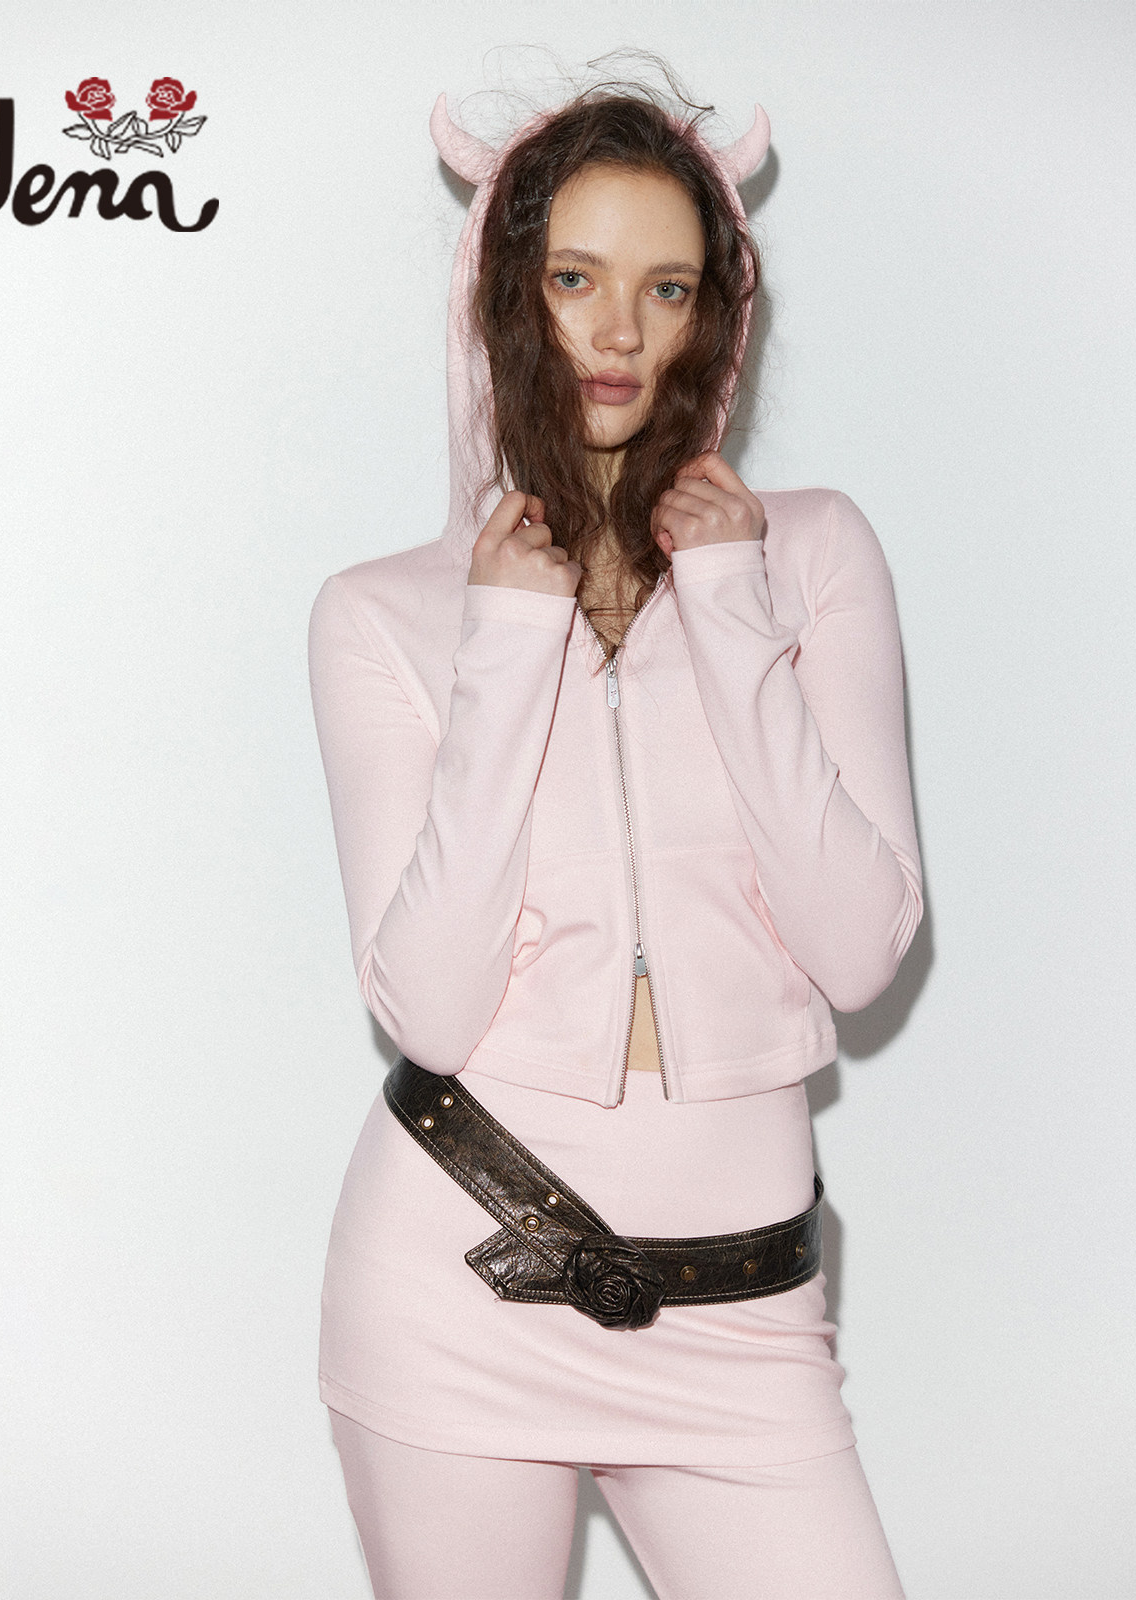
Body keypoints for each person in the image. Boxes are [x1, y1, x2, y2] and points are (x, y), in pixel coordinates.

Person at [307, 75, 923, 1600]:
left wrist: (731, 608)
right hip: (457, 1287)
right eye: (576, 279)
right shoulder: (382, 615)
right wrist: (507, 645)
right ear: (505, 296)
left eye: (668, 287)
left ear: (720, 312)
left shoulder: (812, 556)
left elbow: (860, 953)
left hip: (746, 1320)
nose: (621, 333)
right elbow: (429, 1008)